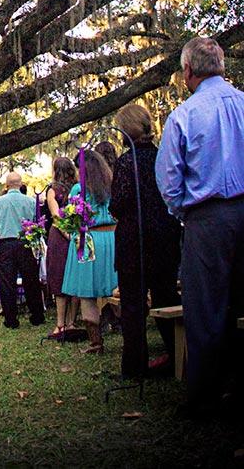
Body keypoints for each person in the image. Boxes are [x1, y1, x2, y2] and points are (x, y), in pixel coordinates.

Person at [155, 36, 244, 416]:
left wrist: (183, 213)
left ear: (186, 71)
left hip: (206, 220)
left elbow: (169, 179)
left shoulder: (184, 116)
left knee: (205, 309)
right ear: (222, 66)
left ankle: (205, 397)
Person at [110, 104, 181, 378]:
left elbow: (118, 203)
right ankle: (178, 356)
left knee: (133, 305)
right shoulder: (165, 156)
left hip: (134, 240)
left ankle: (135, 366)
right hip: (165, 235)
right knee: (166, 298)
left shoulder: (127, 162)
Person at [61, 150, 117, 354]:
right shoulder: (113, 185)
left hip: (88, 241)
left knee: (87, 294)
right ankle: (131, 338)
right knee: (119, 290)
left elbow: (72, 220)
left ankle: (96, 343)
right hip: (113, 239)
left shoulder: (78, 189)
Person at [0, 172, 44, 328]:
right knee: (31, 281)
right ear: (21, 184)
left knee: (7, 282)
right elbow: (36, 224)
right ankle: (37, 315)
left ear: (6, 185)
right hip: (25, 243)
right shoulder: (31, 202)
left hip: (5, 245)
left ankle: (11, 319)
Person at [45, 157, 79, 340]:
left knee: (60, 277)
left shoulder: (53, 190)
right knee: (73, 276)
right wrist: (75, 235)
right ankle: (72, 321)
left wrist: (68, 235)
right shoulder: (79, 188)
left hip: (60, 236)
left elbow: (56, 217)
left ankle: (61, 324)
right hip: (76, 233)